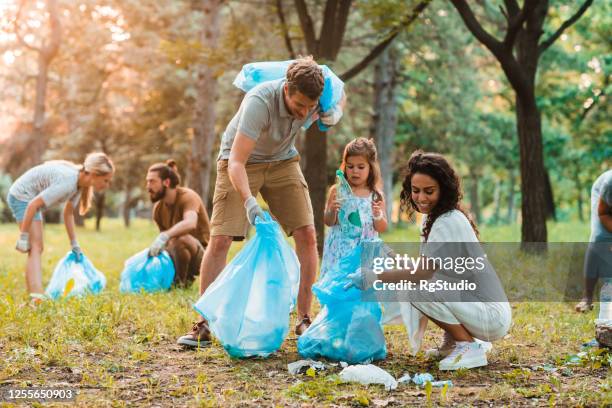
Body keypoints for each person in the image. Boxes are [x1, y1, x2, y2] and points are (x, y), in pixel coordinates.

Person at [177, 56, 346, 347]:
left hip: (282, 161)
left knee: (307, 233)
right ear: (286, 91)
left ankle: (305, 318)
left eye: (310, 106)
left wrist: (334, 112)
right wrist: (249, 203)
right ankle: (203, 324)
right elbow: (237, 162)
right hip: (242, 161)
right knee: (221, 238)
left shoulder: (315, 97)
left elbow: (342, 95)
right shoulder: (260, 101)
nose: (304, 112)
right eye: (299, 106)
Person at [367, 151, 511, 370]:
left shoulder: (447, 221)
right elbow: (442, 270)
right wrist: (392, 258)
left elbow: (423, 274)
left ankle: (468, 346)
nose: (421, 198)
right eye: (416, 191)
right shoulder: (438, 217)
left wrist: (375, 277)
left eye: (429, 191)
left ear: (444, 189)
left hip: (490, 316)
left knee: (415, 288)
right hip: (484, 311)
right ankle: (453, 342)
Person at [7, 153, 115, 304]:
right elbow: (33, 205)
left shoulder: (78, 184)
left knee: (37, 247)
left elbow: (68, 213)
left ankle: (35, 295)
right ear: (95, 174)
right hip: (22, 196)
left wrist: (74, 243)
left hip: (31, 200)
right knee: (35, 247)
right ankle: (36, 297)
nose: (107, 184)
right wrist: (23, 236)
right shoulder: (68, 182)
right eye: (106, 180)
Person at [322, 138, 387, 275]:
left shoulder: (375, 196)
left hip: (364, 253)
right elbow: (328, 221)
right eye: (350, 166)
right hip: (340, 251)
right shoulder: (338, 191)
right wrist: (332, 210)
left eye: (361, 167)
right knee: (339, 286)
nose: (355, 171)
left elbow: (381, 227)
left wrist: (377, 215)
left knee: (359, 290)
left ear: (371, 167)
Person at [146, 160, 210, 287]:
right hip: (176, 255)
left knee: (180, 238)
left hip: (203, 257)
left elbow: (190, 223)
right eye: (147, 181)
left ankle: (181, 282)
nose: (148, 186)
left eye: (152, 181)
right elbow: (166, 244)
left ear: (167, 182)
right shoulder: (158, 209)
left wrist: (164, 236)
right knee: (172, 242)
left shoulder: (188, 197)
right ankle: (177, 279)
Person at [575, 169, 612, 312]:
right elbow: (603, 213)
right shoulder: (609, 183)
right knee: (599, 239)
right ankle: (587, 297)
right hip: (605, 206)